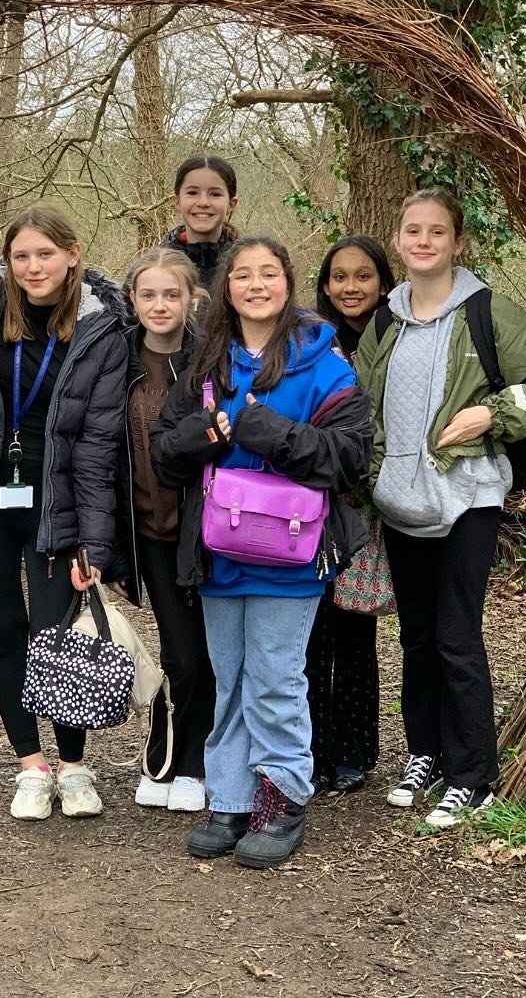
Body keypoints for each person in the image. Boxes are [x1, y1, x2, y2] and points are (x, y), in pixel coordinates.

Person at [150, 235, 373, 869]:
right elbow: (165, 454)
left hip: (291, 553)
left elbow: (350, 457)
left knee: (275, 679)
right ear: (226, 288)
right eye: (242, 274)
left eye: (267, 274)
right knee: (231, 678)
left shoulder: (324, 364)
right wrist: (206, 433)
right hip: (221, 551)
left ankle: (284, 798)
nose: (255, 284)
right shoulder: (204, 366)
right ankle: (231, 796)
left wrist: (269, 433)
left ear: (287, 283)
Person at [355, 188, 526, 828]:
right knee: (417, 637)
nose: (423, 242)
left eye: (436, 232)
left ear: (458, 243)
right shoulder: (386, 320)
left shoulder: (488, 312)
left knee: (456, 635)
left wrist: (491, 414)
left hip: (467, 495)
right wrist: (367, 481)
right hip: (399, 503)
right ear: (398, 239)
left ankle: (472, 774)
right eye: (412, 231)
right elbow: (364, 407)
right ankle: (424, 754)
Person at [0, 202, 128, 821]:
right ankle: (30, 765)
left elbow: (97, 445)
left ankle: (74, 763)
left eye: (45, 254)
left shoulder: (100, 330)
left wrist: (93, 537)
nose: (33, 267)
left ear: (73, 255)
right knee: (3, 629)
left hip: (56, 498)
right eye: (21, 256)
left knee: (55, 632)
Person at [108, 247, 214, 813]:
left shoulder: (210, 361)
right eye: (148, 294)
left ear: (191, 298)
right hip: (147, 532)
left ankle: (196, 764)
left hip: (208, 529)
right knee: (181, 654)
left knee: (209, 652)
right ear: (132, 300)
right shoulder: (115, 360)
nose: (160, 304)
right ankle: (165, 757)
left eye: (171, 294)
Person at [307, 235, 396, 793]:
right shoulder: (310, 341)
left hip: (369, 506)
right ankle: (312, 749)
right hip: (314, 503)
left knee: (355, 627)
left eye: (363, 276)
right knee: (311, 631)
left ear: (383, 283)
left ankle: (354, 751)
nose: (350, 287)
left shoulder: (399, 338)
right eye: (339, 277)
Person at [161, 155, 239, 291]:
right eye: (192, 193)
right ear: (177, 201)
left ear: (231, 204)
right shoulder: (154, 267)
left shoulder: (245, 266)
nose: (203, 202)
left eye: (215, 194)